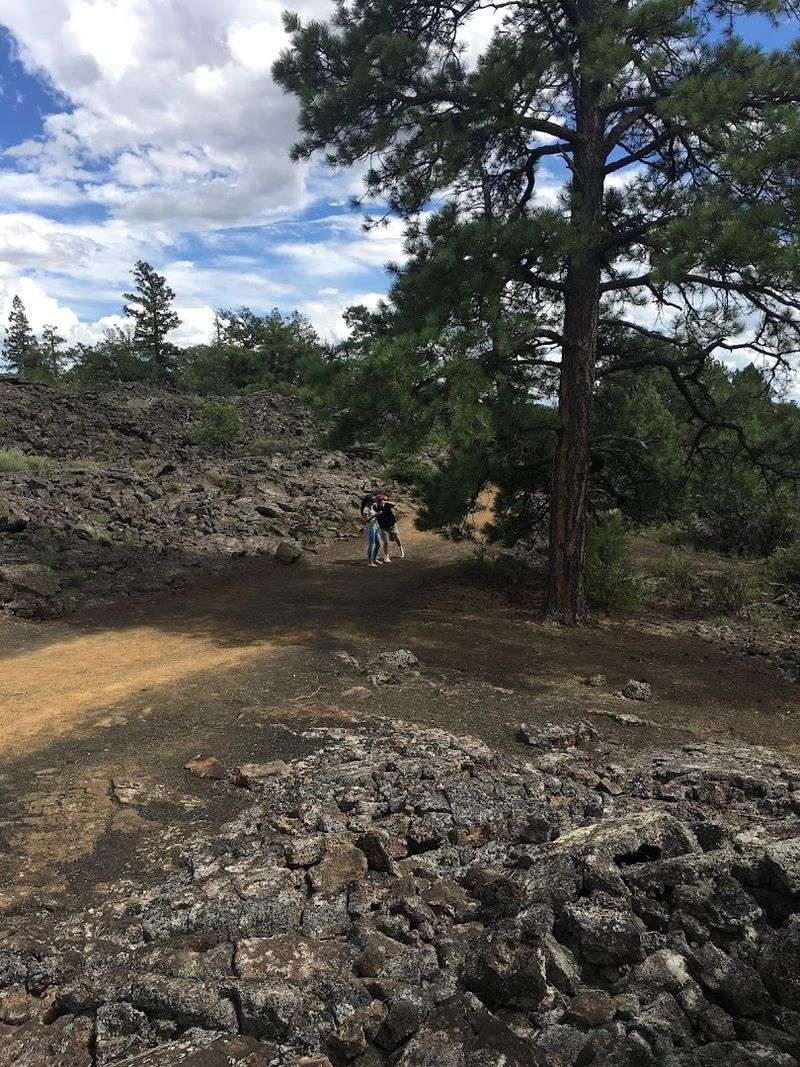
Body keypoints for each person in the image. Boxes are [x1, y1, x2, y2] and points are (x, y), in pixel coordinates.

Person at [374, 492, 405, 561]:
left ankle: (401, 550)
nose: (380, 502)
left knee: (395, 538)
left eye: (381, 500)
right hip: (383, 526)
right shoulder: (375, 507)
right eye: (378, 501)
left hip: (391, 524)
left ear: (383, 500)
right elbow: (373, 514)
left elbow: (394, 504)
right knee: (385, 542)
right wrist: (377, 514)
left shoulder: (387, 505)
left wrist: (386, 501)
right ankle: (386, 557)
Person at [360, 492, 382, 567]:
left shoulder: (371, 507)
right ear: (368, 502)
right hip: (370, 528)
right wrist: (375, 515)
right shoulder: (365, 509)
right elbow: (365, 521)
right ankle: (370, 561)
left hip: (375, 527)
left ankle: (375, 558)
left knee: (378, 543)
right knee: (372, 544)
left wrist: (377, 514)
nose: (374, 502)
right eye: (373, 501)